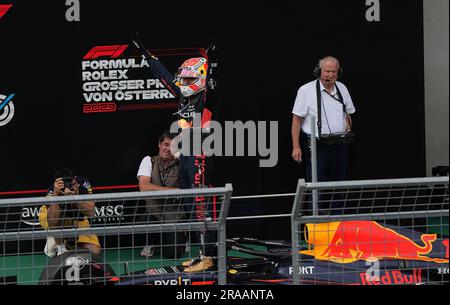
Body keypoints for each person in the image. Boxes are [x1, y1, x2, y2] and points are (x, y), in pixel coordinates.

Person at [133, 38, 219, 272]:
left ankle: (208, 257)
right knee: (192, 208)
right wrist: (146, 53)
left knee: (201, 208)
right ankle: (201, 255)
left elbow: (209, 77)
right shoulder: (183, 95)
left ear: (201, 79)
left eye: (190, 79)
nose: (183, 82)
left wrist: (211, 61)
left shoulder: (205, 97)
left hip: (200, 156)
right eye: (183, 78)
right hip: (187, 158)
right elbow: (164, 75)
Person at [291, 56, 356, 212]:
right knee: (315, 183)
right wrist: (296, 146)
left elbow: (349, 113)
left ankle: (336, 220)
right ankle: (314, 222)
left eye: (334, 72)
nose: (330, 75)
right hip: (316, 143)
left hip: (340, 143)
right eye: (327, 71)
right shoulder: (306, 90)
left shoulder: (342, 89)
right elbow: (296, 121)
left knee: (340, 183)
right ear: (319, 71)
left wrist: (347, 127)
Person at [137, 130, 186, 259]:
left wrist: (181, 160)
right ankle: (152, 241)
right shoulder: (148, 161)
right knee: (141, 223)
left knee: (173, 254)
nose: (168, 149)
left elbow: (188, 186)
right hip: (154, 213)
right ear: (159, 144)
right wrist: (173, 191)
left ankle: (182, 237)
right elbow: (144, 187)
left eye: (172, 146)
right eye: (166, 144)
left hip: (174, 216)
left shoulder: (181, 163)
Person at [39, 168, 101, 256]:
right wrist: (56, 196)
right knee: (54, 222)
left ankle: (67, 243)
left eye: (74, 184)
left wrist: (74, 198)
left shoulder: (83, 184)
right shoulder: (53, 189)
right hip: (53, 219)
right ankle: (60, 248)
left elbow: (91, 213)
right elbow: (52, 220)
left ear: (75, 179)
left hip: (76, 218)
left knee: (95, 251)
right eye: (67, 185)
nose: (72, 187)